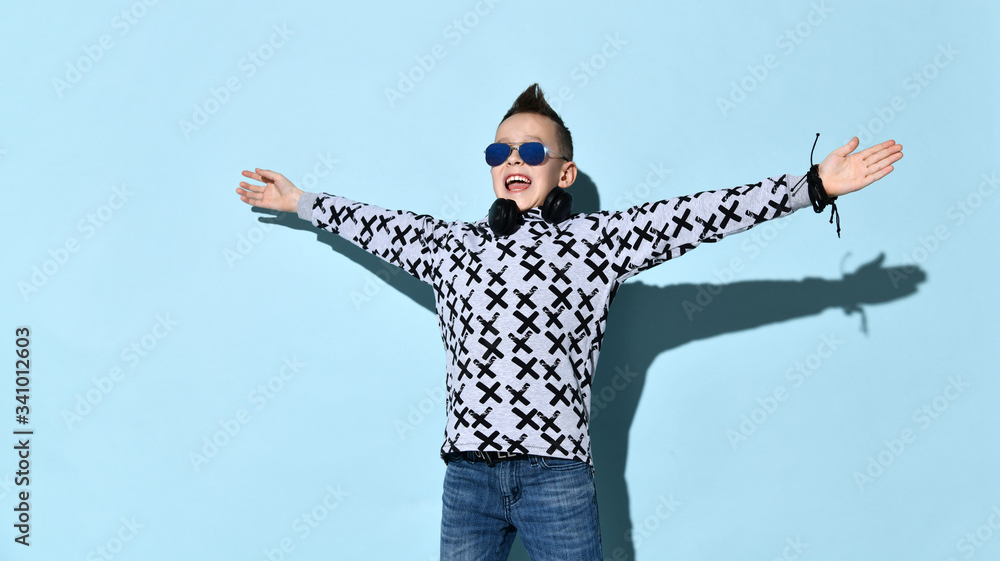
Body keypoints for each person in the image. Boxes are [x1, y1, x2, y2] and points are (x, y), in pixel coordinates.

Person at [235, 83, 903, 560]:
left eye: (531, 153)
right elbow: (378, 225)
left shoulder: (598, 241)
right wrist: (302, 201)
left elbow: (703, 212)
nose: (513, 164)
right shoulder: (453, 246)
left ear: (565, 172)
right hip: (467, 478)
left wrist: (810, 186)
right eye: (499, 155)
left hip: (556, 477)